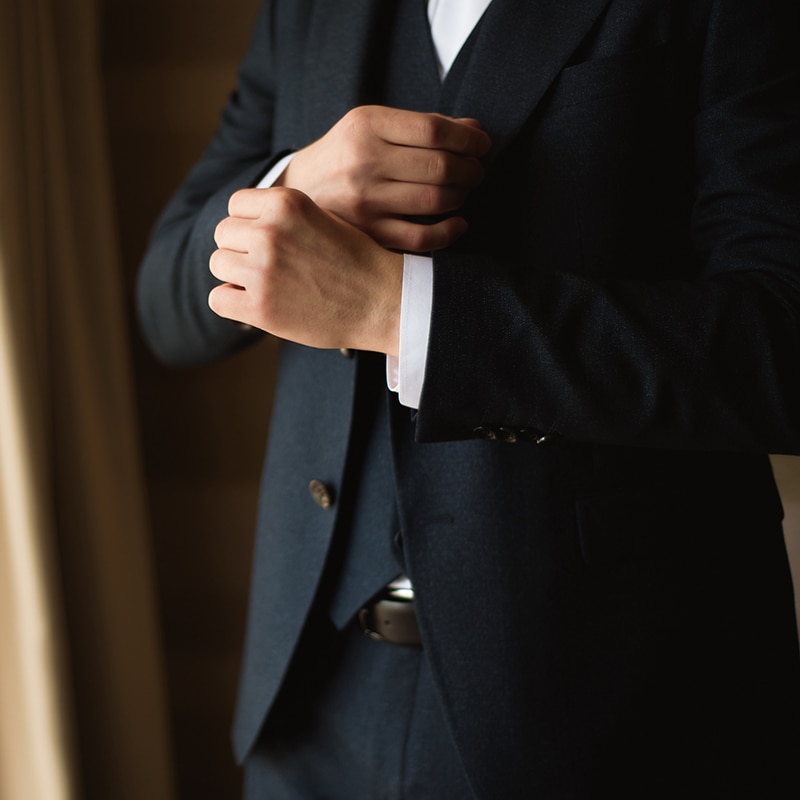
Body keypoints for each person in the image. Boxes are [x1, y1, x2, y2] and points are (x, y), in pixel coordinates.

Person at [135, 0, 800, 797]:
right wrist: (290, 189)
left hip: (608, 709)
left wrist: (398, 309)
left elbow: (780, 343)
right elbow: (164, 308)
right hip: (312, 700)